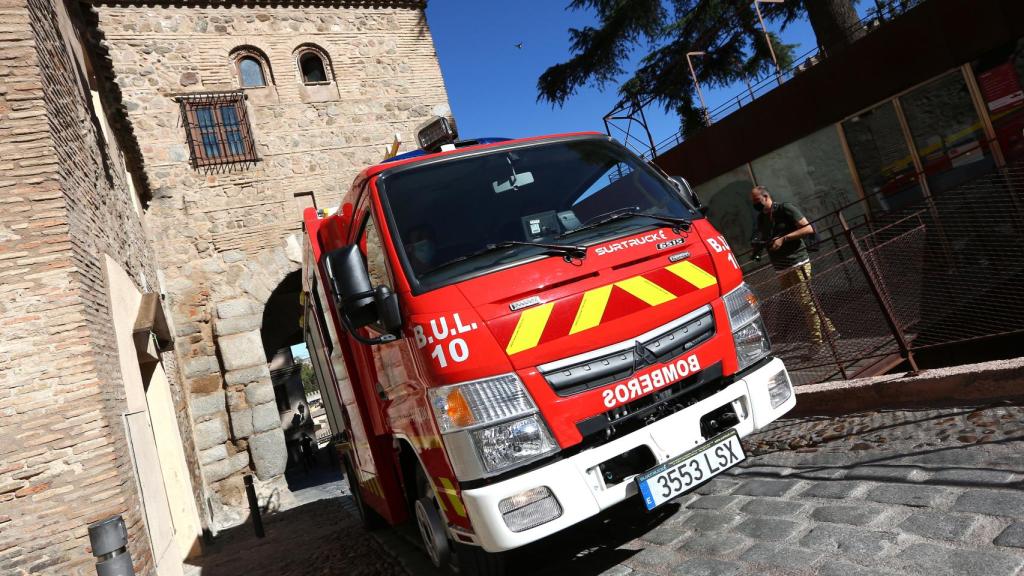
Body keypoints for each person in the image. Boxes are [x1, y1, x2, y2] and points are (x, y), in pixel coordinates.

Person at [750, 185, 836, 349]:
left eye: (757, 201)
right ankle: (830, 330)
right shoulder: (761, 218)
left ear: (766, 196)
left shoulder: (785, 209)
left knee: (805, 301)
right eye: (753, 202)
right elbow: (765, 237)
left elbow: (808, 228)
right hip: (781, 267)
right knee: (803, 302)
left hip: (798, 262)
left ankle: (817, 341)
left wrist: (784, 239)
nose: (755, 204)